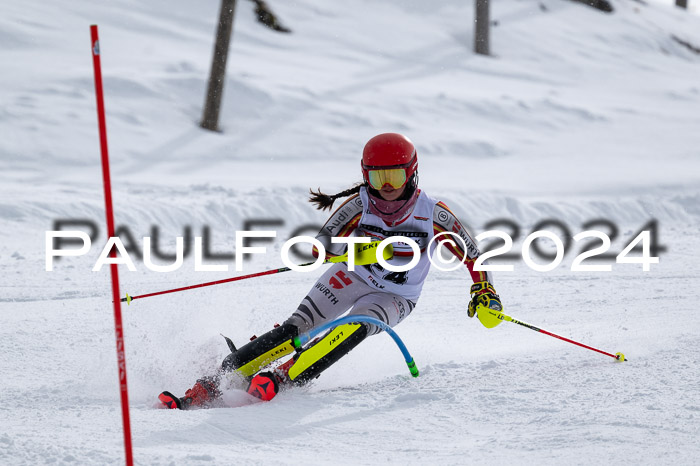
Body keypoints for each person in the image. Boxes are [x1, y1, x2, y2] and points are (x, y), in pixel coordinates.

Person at [158, 133, 503, 409]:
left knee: (355, 327)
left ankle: (283, 377)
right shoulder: (359, 205)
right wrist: (353, 248)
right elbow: (320, 246)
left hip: (395, 295)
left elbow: (473, 256)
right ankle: (216, 381)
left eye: (394, 176)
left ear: (411, 173)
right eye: (377, 177)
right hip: (350, 276)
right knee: (296, 328)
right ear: (365, 175)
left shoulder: (433, 214)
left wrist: (484, 292)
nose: (386, 187)